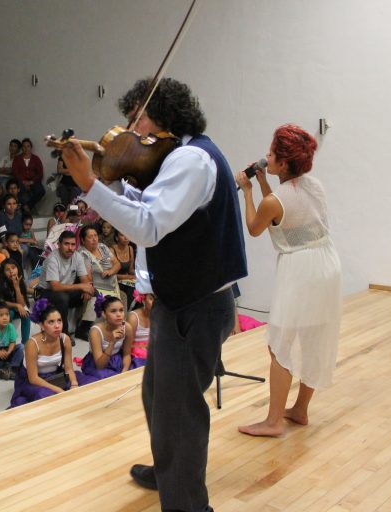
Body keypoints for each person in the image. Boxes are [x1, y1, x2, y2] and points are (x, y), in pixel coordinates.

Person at [60, 77, 247, 512]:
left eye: (135, 119)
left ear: (162, 116)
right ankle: (169, 469)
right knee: (156, 394)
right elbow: (151, 202)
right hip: (180, 301)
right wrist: (119, 185)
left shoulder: (191, 160)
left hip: (195, 304)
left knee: (178, 411)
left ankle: (187, 503)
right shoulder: (180, 156)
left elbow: (147, 226)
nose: (131, 131)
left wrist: (91, 184)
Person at [236, 124, 341, 438]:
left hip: (301, 270)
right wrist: (266, 183)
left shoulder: (275, 200)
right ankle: (300, 410)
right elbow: (282, 212)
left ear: (283, 163)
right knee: (314, 336)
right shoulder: (313, 185)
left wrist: (248, 191)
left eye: (271, 153)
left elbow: (257, 226)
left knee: (278, 343)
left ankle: (272, 423)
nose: (266, 155)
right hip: (327, 263)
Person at [9, 299, 95, 408]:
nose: (57, 326)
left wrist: (74, 384)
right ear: (42, 325)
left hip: (56, 375)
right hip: (35, 380)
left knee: (90, 382)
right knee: (47, 396)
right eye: (51, 322)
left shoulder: (65, 339)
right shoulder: (32, 343)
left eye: (59, 321)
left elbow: (68, 369)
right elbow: (33, 378)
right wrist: (58, 390)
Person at [34, 230, 93, 335]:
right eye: (66, 244)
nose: (70, 248)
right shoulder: (52, 258)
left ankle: (83, 329)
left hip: (65, 290)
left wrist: (87, 289)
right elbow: (55, 287)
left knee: (94, 292)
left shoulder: (77, 256)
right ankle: (64, 334)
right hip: (45, 292)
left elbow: (85, 280)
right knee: (62, 298)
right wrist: (82, 286)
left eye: (73, 244)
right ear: (59, 244)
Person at [77, 224, 123, 337]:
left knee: (127, 293)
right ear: (83, 240)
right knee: (100, 297)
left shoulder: (102, 247)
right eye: (90, 237)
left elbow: (117, 264)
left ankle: (118, 325)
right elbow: (87, 277)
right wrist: (90, 288)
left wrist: (110, 271)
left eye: (96, 235)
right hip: (97, 287)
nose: (94, 239)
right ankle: (84, 329)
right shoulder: (82, 253)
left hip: (112, 285)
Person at [81, 295, 140, 380]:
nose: (119, 314)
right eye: (113, 311)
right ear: (104, 314)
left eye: (121, 310)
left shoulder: (127, 327)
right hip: (99, 362)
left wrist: (124, 371)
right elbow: (100, 366)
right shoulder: (96, 331)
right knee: (108, 379)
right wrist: (112, 343)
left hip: (117, 359)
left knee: (135, 372)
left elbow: (126, 354)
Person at [0, 258, 30, 343]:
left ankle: (25, 343)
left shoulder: (20, 281)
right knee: (11, 313)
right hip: (2, 309)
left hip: (15, 309)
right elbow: (1, 302)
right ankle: (6, 341)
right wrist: (16, 305)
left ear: (17, 268)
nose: (11, 271)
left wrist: (17, 288)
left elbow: (22, 304)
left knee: (26, 315)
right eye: (7, 270)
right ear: (3, 273)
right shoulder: (0, 283)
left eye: (13, 268)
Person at [11, 138, 44, 214]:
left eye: (28, 146)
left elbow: (40, 173)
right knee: (18, 191)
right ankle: (24, 209)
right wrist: (23, 181)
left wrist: (31, 182)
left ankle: (27, 206)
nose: (26, 148)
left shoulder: (36, 158)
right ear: (22, 148)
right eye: (24, 146)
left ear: (31, 147)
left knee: (41, 191)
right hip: (20, 181)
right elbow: (15, 172)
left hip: (33, 181)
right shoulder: (17, 158)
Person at [127, 291, 153, 365]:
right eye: (151, 299)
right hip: (135, 356)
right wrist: (143, 347)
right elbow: (126, 346)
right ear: (143, 299)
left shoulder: (158, 316)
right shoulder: (133, 317)